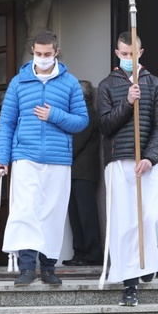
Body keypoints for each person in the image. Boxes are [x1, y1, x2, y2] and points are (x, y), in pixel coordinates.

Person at [0, 30, 89, 286]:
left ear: (56, 52)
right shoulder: (18, 82)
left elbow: (82, 121)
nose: (42, 58)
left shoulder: (70, 83)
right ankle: (26, 268)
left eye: (47, 54)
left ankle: (48, 268)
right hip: (25, 155)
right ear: (32, 52)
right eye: (38, 54)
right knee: (25, 210)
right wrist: (2, 157)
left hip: (58, 159)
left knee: (52, 213)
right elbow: (6, 123)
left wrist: (54, 115)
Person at [97, 32, 158, 306]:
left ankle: (147, 263)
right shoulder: (107, 86)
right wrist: (127, 103)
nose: (128, 58)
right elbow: (104, 125)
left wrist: (150, 157)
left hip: (147, 165)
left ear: (141, 52)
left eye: (132, 54)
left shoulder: (156, 84)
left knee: (149, 219)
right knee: (124, 225)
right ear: (117, 54)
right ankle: (129, 284)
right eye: (124, 54)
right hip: (118, 162)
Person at [62, 80, 104, 267]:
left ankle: (92, 254)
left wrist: (60, 157)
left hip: (83, 171)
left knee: (86, 214)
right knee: (75, 215)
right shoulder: (80, 112)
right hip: (74, 172)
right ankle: (79, 252)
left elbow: (76, 143)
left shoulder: (86, 112)